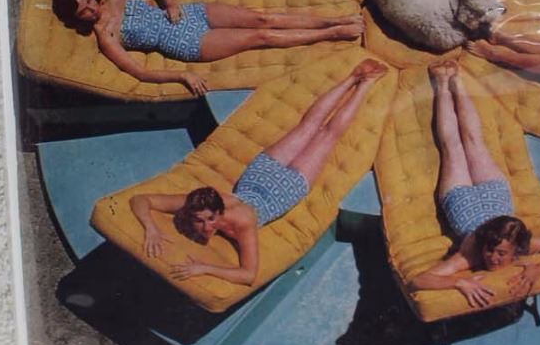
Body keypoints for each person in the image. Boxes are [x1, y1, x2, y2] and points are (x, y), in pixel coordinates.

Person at [129, 59, 388, 284]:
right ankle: (361, 81)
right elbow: (141, 200)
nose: (206, 227)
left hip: (281, 186)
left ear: (220, 211)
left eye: (210, 219)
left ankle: (358, 78)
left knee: (322, 131)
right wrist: (151, 228)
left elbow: (248, 274)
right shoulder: (195, 204)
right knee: (316, 130)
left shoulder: (242, 223)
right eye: (200, 220)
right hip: (265, 177)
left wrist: (204, 268)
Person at [409, 63, 540, 308]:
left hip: (470, 198)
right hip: (478, 199)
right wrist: (459, 282)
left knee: (464, 144)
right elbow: (419, 280)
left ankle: (453, 81)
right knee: (463, 144)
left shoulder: (523, 245)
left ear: (516, 250)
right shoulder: (472, 253)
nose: (492, 257)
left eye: (501, 253)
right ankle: (445, 81)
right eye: (490, 251)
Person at [52, 0, 363, 94]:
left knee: (262, 17)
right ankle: (332, 33)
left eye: (87, 0)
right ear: (77, 19)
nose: (90, 8)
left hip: (190, 13)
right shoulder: (107, 38)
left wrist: (171, 3)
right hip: (186, 43)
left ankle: (335, 20)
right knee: (260, 35)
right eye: (83, 11)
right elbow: (140, 72)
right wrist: (182, 75)